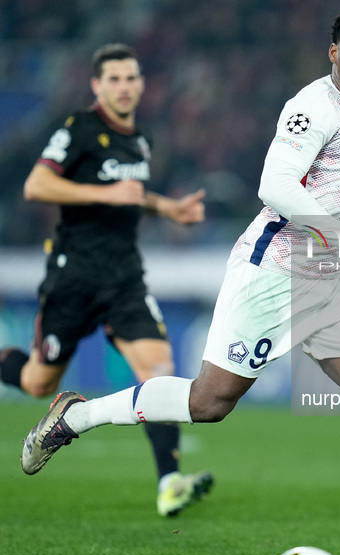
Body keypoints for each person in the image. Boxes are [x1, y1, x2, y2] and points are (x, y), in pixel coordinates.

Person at [20, 9, 340, 555]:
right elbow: (276, 185)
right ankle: (77, 416)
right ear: (333, 54)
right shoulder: (311, 106)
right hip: (274, 273)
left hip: (328, 278)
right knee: (209, 403)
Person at [1, 43, 214, 517]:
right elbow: (37, 185)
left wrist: (167, 207)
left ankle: (169, 484)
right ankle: (49, 404)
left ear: (141, 85)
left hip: (124, 279)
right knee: (38, 381)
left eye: (131, 78)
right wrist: (105, 191)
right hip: (74, 276)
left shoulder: (141, 140)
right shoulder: (78, 129)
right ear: (97, 86)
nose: (123, 87)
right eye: (113, 79)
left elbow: (130, 194)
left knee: (159, 370)